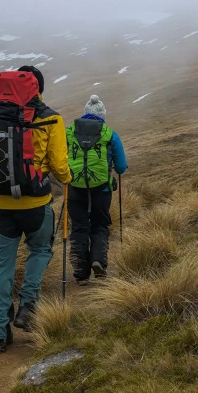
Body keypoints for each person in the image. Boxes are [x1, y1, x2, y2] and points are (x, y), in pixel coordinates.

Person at [0, 65, 71, 353]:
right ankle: (28, 307)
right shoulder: (51, 118)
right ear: (39, 88)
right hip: (35, 201)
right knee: (41, 250)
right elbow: (58, 166)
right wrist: (68, 179)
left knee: (1, 263)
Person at [66, 95, 127, 284]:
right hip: (102, 189)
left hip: (75, 188)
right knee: (100, 225)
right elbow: (121, 167)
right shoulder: (110, 134)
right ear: (103, 115)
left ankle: (80, 273)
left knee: (79, 227)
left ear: (85, 113)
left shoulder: (69, 132)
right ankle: (98, 260)